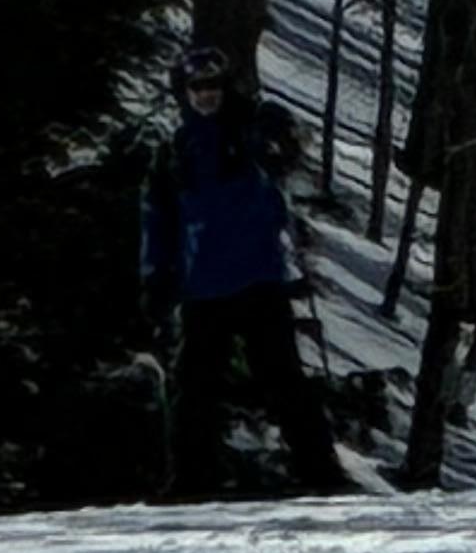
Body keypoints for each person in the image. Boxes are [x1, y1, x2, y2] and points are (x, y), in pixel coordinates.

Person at [139, 43, 353, 496]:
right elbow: (156, 218)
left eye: (213, 85)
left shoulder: (251, 129)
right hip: (203, 288)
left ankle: (322, 474)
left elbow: (287, 161)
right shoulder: (175, 151)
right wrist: (156, 274)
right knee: (194, 391)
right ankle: (189, 483)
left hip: (258, 279)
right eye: (197, 87)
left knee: (283, 381)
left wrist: (276, 144)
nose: (206, 95)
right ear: (184, 92)